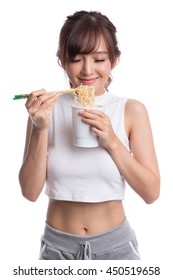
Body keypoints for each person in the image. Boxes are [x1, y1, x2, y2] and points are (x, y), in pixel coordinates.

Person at [18, 10, 160, 260]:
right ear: (62, 60)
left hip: (116, 248)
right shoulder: (44, 111)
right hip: (57, 248)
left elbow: (151, 193)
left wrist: (112, 142)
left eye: (99, 59)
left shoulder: (131, 111)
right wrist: (40, 128)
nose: (87, 70)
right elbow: (30, 192)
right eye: (76, 59)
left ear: (114, 60)